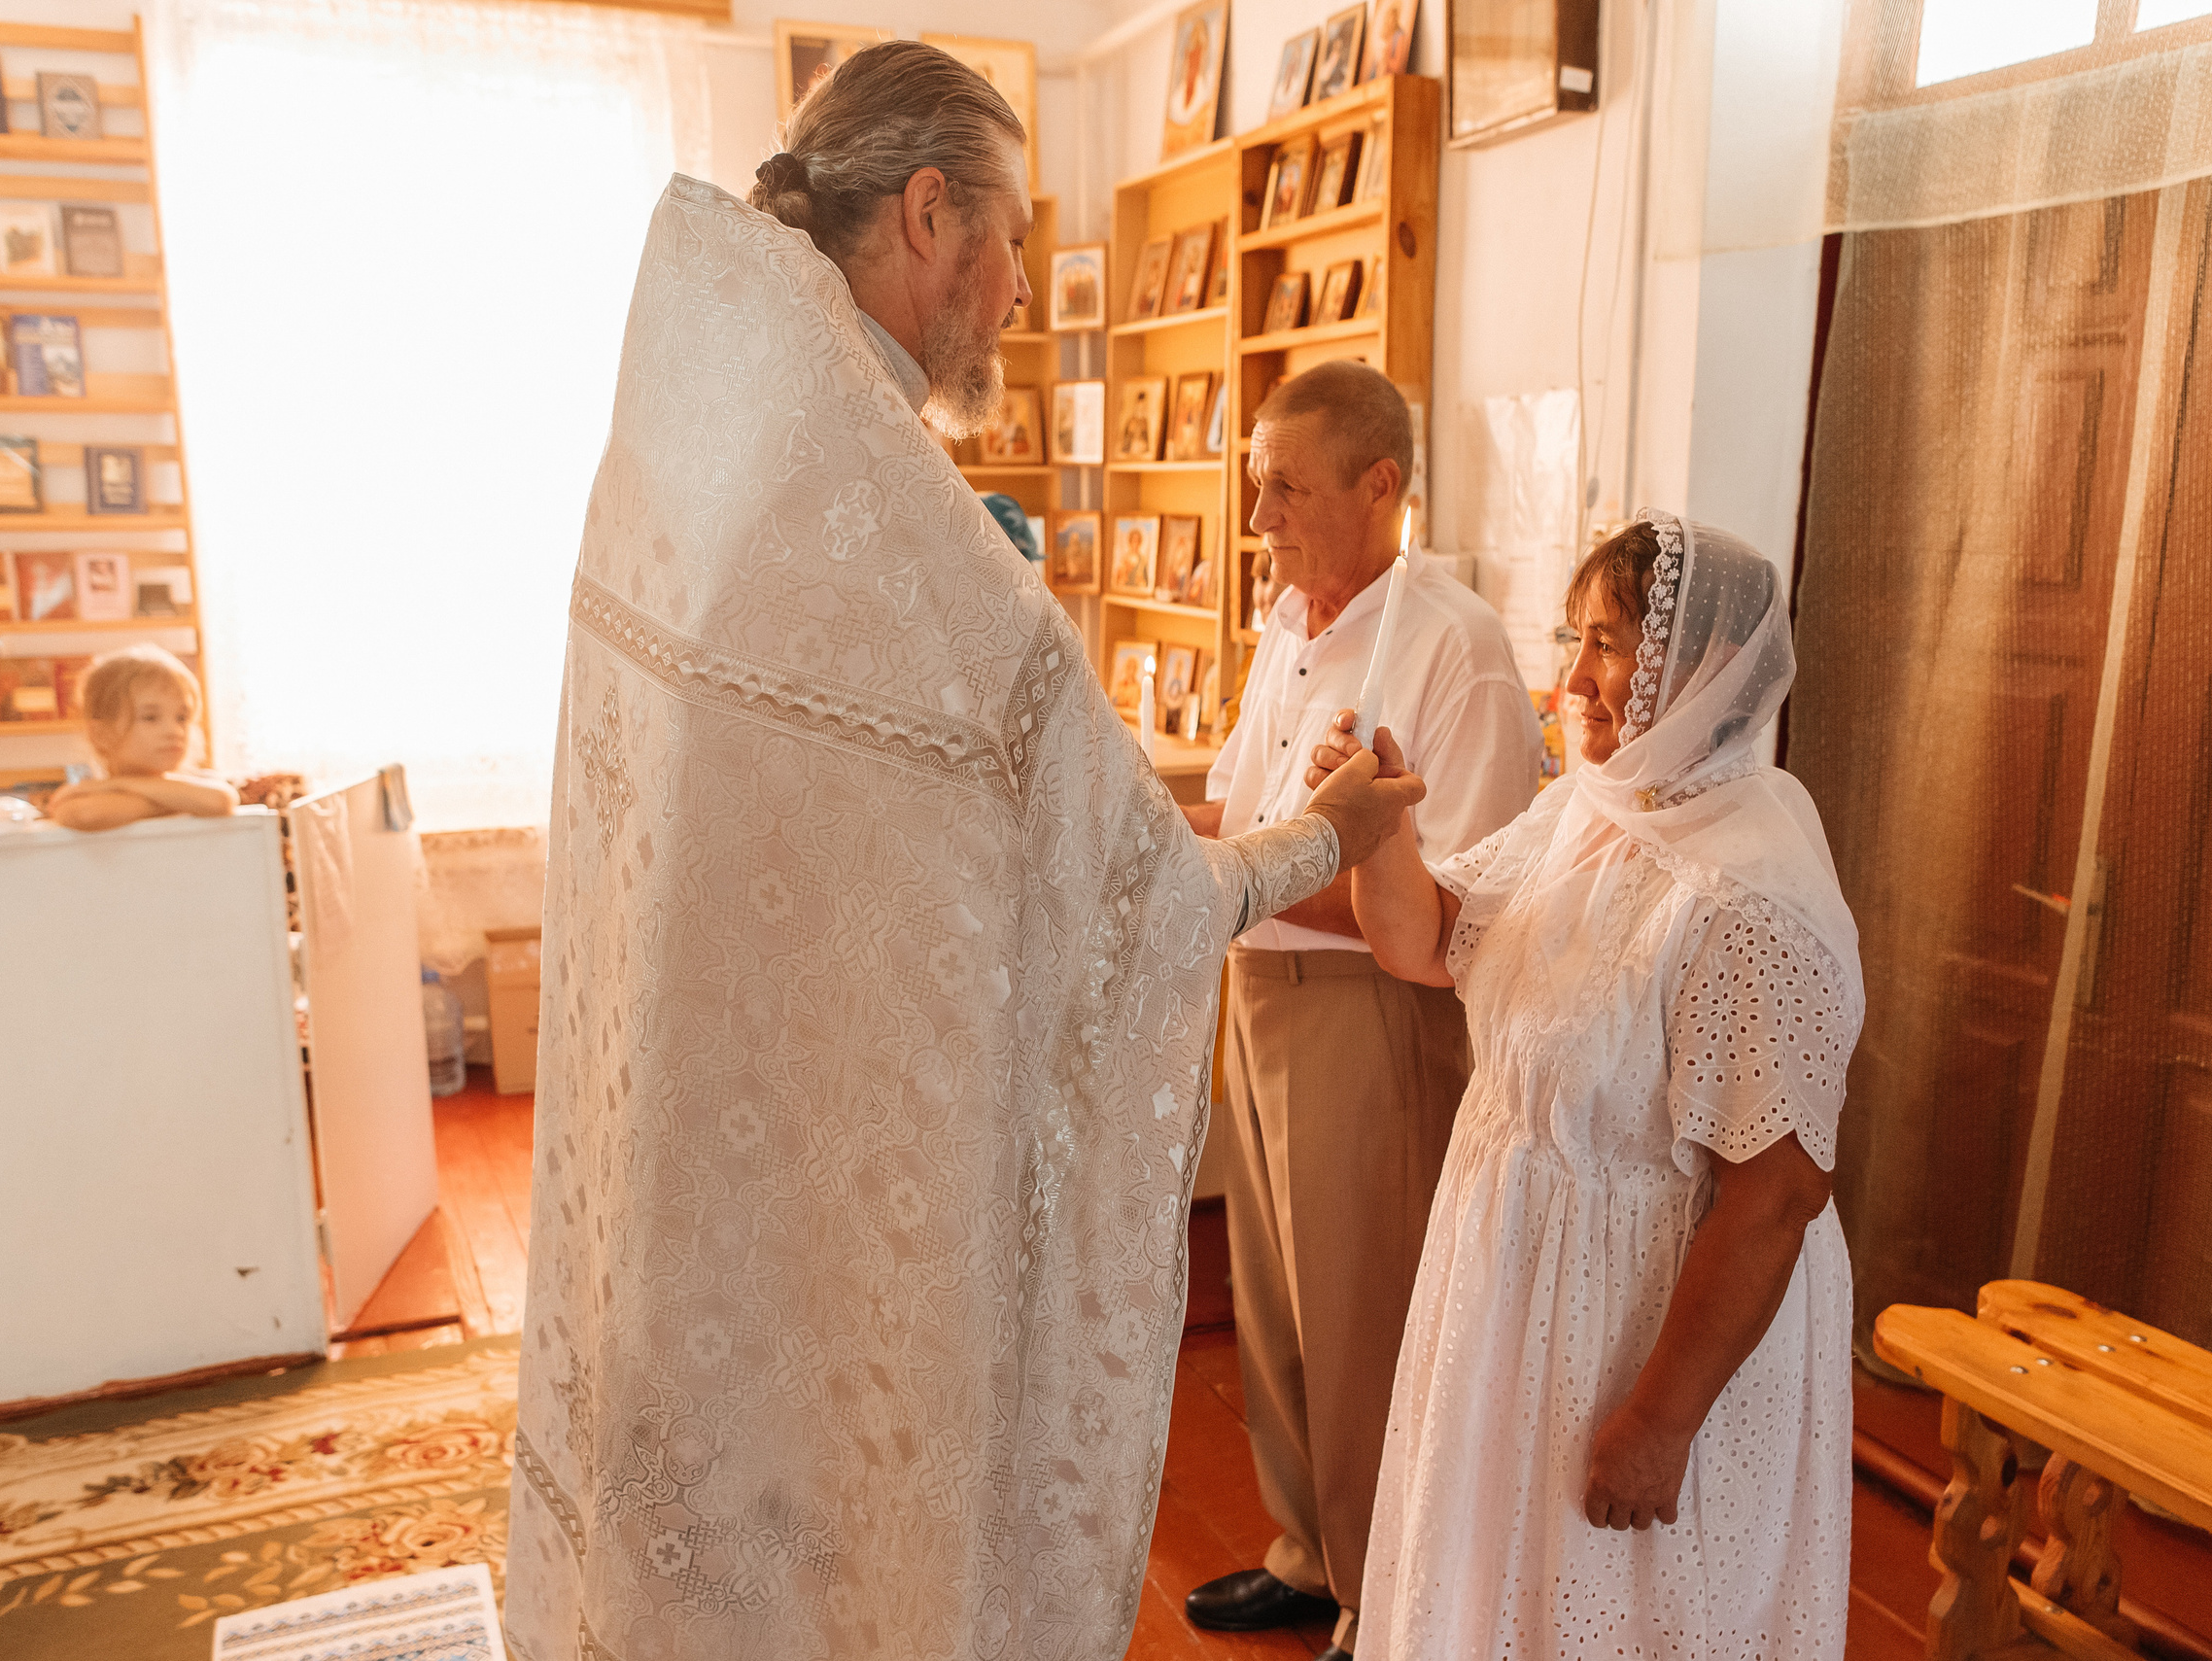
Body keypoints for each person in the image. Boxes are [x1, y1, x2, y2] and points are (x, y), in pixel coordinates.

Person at [501, 41, 1422, 1661]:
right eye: (1010, 240)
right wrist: (1328, 829)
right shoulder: (875, 491)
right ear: (928, 214)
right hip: (824, 1156)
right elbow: (1138, 887)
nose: (1019, 289)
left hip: (707, 1120)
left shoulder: (734, 429)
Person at [1307, 511, 1862, 1656]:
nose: (1575, 680)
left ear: (1706, 664)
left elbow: (1776, 1194)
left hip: (1638, 1333)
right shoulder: (1584, 813)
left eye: (1607, 645)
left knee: (1617, 1609)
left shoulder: (1745, 899)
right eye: (1576, 640)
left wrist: (1658, 1420)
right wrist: (1378, 829)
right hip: (1522, 1299)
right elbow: (1426, 941)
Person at [1181, 360, 1539, 1660]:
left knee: (1366, 1309)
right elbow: (1245, 809)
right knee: (1277, 1301)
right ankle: (1313, 1550)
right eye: (1254, 483)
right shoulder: (1289, 622)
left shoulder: (1457, 647)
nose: (1258, 517)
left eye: (1286, 487)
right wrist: (1128, 820)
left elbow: (1460, 899)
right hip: (1260, 982)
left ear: (1380, 485)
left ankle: (1385, 1598)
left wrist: (1233, 872)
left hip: (1368, 1005)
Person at [46, 645, 236, 831]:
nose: (174, 731)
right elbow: (86, 814)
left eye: (182, 718)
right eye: (150, 718)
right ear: (101, 734)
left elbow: (220, 801)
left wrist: (116, 784)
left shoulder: (198, 782)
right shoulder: (83, 798)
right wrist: (180, 802)